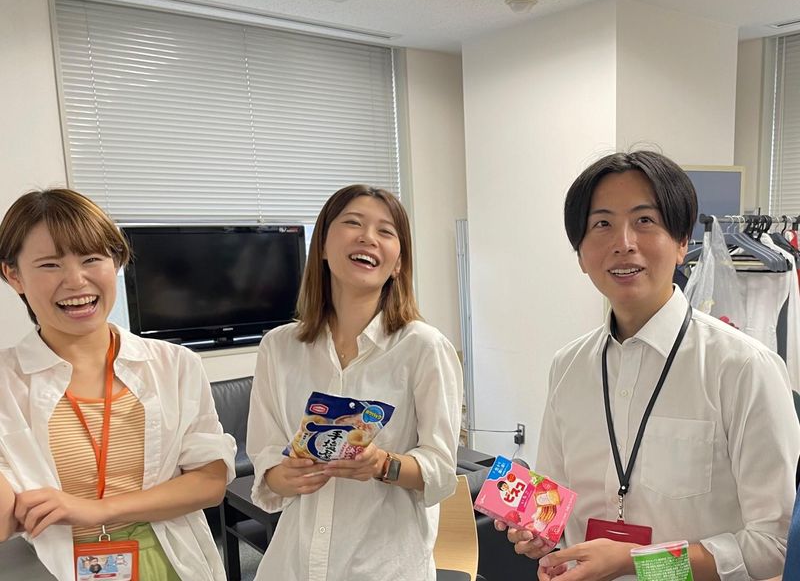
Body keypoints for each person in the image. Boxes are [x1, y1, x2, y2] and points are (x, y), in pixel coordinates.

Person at [498, 151, 800, 581]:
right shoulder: (568, 367)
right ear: (580, 254)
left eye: (644, 220)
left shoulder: (744, 368)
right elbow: (555, 506)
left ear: (681, 243)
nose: (624, 242)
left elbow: (775, 546)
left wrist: (637, 563)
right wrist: (539, 533)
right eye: (602, 224)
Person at [0, 188, 236, 580]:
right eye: (50, 265)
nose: (76, 281)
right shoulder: (6, 382)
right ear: (14, 275)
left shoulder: (174, 364)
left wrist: (98, 509)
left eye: (92, 259)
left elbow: (209, 483)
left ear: (116, 262)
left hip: (170, 561)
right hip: (55, 567)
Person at [247, 184, 463, 581]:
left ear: (398, 263)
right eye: (353, 223)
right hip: (293, 564)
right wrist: (285, 475)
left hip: (385, 566)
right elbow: (265, 455)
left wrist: (382, 464)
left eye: (385, 231)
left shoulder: (424, 347)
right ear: (323, 245)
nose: (368, 237)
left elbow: (441, 470)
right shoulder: (279, 347)